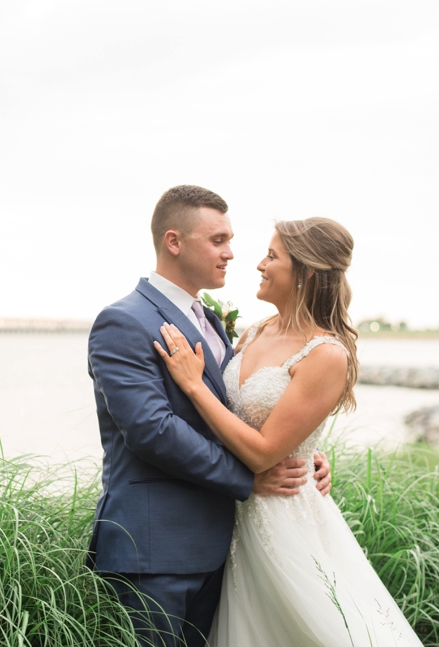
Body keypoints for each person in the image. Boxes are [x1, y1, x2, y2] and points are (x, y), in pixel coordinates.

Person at [155, 217, 424, 646]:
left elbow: (263, 452)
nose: (259, 264)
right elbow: (248, 414)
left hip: (281, 518)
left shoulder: (326, 353)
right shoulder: (256, 331)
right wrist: (308, 448)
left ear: (307, 272)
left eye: (272, 256)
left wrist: (191, 383)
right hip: (232, 513)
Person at [86, 185, 332, 647]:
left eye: (231, 240)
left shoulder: (214, 324)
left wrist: (302, 451)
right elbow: (151, 431)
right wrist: (249, 480)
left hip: (221, 549)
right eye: (217, 240)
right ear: (174, 241)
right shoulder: (123, 321)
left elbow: (239, 409)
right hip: (153, 549)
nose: (231, 254)